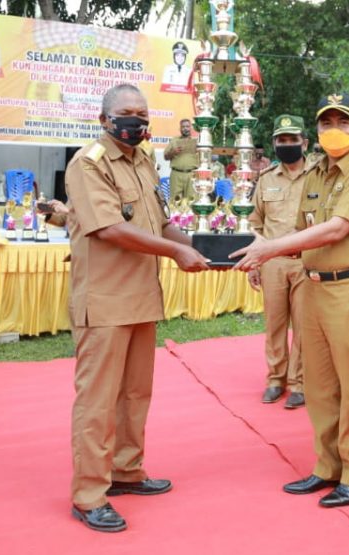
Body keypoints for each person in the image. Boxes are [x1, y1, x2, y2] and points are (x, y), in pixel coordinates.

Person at [65, 83, 210, 533]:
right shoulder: (87, 164)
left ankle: (127, 471)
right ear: (104, 119)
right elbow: (110, 228)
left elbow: (162, 222)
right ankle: (90, 494)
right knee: (98, 401)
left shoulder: (144, 161)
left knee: (134, 395)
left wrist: (203, 249)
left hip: (141, 297)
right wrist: (175, 255)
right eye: (127, 113)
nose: (136, 121)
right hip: (105, 301)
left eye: (143, 114)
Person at [233, 92, 349, 508]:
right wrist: (257, 253)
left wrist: (271, 248)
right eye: (325, 124)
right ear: (316, 132)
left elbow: (336, 229)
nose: (333, 130)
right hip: (314, 283)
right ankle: (327, 466)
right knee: (318, 385)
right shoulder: (315, 174)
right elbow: (304, 229)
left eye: (342, 122)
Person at [247, 115, 310, 409]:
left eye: (292, 140)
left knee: (303, 325)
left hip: (305, 262)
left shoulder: (317, 175)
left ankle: (298, 383)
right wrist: (255, 263)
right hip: (272, 263)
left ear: (304, 143)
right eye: (281, 140)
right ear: (274, 144)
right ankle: (275, 379)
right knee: (274, 324)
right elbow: (255, 223)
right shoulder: (267, 178)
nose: (287, 145)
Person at [164, 119, 198, 202]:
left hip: (191, 175)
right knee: (175, 201)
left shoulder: (197, 142)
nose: (185, 128)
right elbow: (165, 156)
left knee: (191, 201)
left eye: (187, 126)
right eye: (183, 127)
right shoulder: (174, 140)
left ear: (191, 128)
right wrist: (173, 152)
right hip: (176, 175)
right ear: (180, 129)